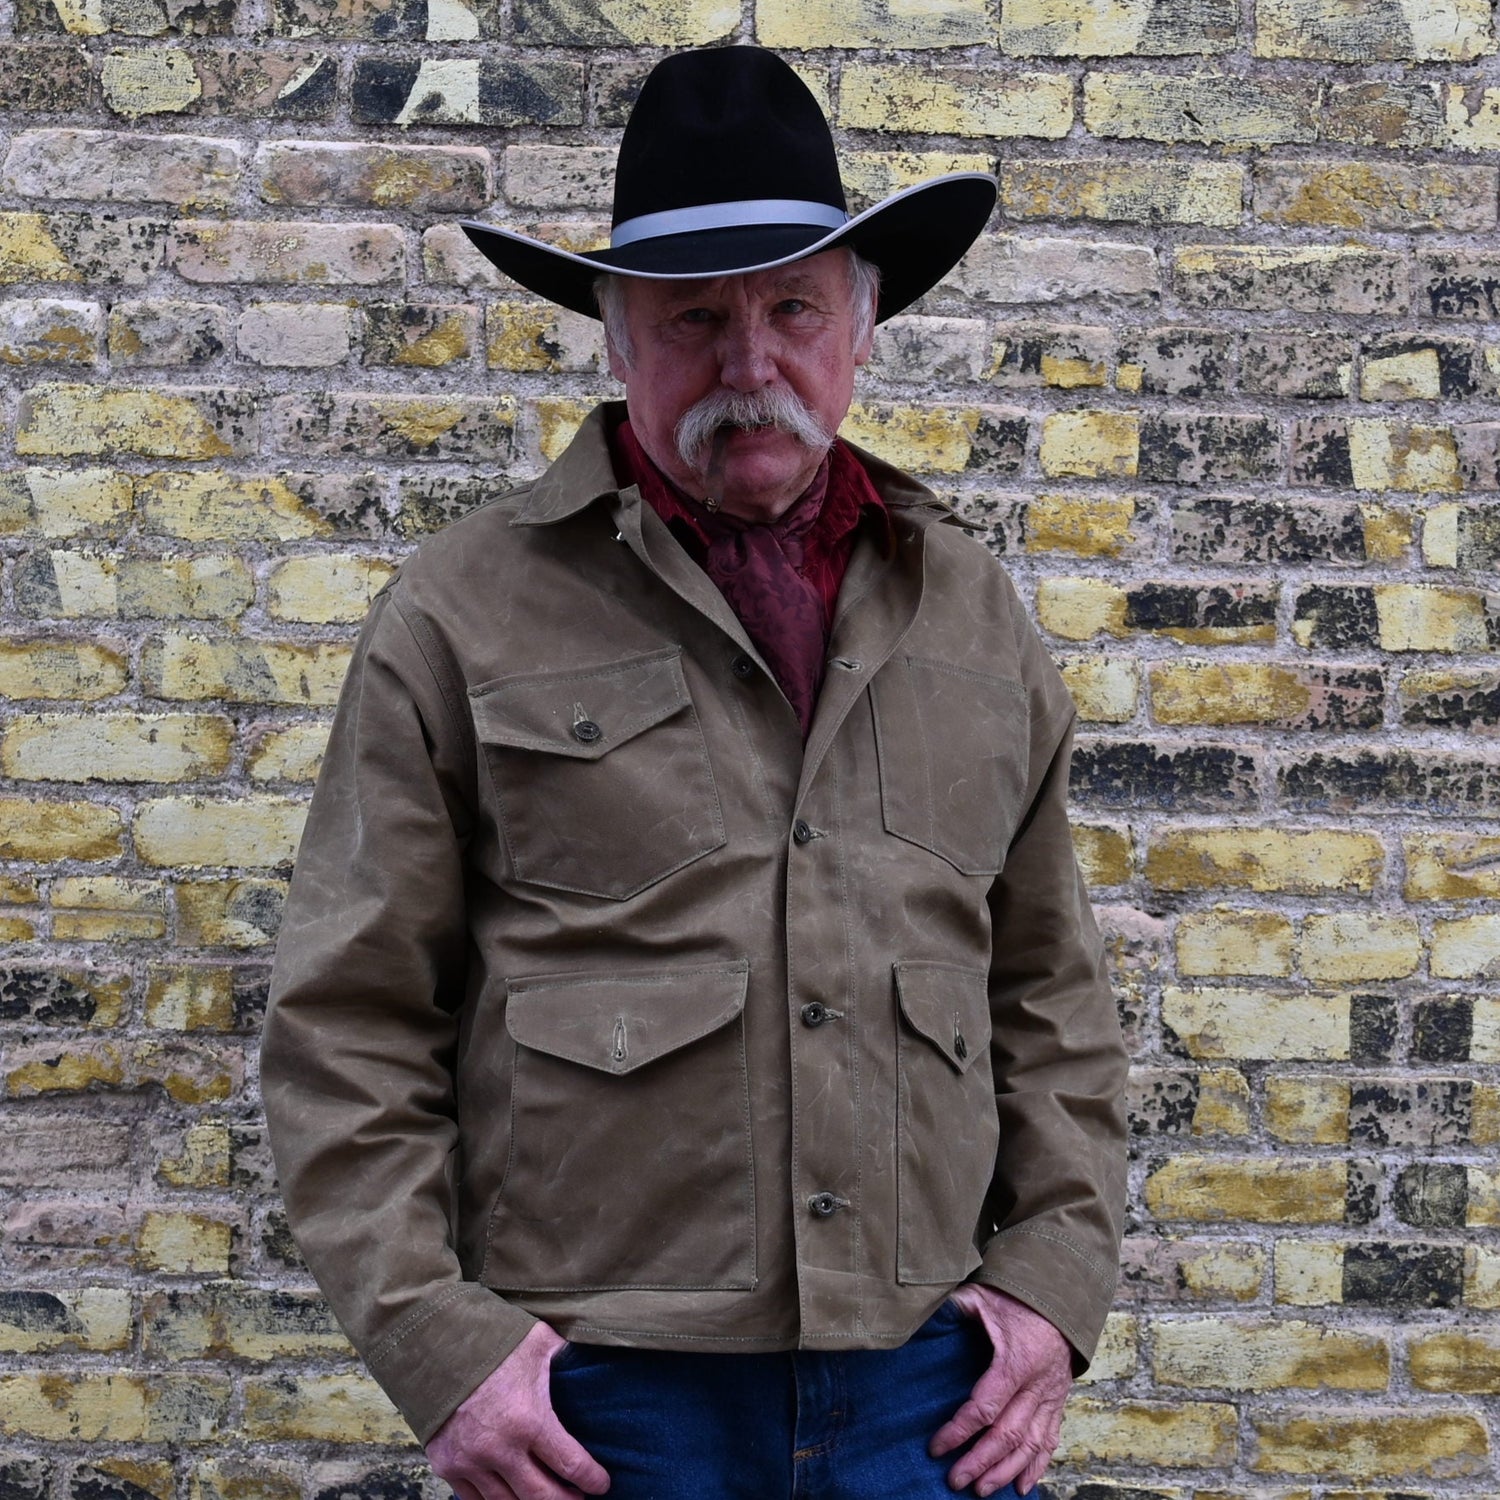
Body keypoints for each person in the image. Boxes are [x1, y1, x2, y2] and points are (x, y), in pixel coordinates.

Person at [260, 45, 1128, 1500]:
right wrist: (439, 1347)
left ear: (859, 325)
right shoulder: (463, 614)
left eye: (793, 308)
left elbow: (1052, 997)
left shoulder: (973, 617)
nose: (750, 365)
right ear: (614, 338)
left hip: (930, 1391)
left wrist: (1053, 1286)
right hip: (601, 1403)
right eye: (692, 321)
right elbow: (347, 1019)